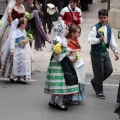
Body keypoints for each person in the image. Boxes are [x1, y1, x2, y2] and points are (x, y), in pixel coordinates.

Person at [44, 20, 79, 111]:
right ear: (62, 30)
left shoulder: (62, 38)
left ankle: (52, 102)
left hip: (62, 61)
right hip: (58, 64)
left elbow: (63, 48)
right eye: (66, 29)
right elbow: (56, 53)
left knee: (58, 83)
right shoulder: (57, 39)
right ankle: (59, 103)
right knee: (61, 83)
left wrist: (70, 50)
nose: (67, 31)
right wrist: (65, 54)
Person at [88, 9, 119, 99]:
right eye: (101, 18)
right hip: (96, 52)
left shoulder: (108, 28)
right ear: (98, 18)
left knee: (109, 70)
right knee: (99, 73)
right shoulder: (95, 27)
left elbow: (112, 40)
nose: (103, 19)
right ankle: (99, 91)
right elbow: (90, 39)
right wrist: (98, 40)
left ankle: (95, 82)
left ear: (107, 17)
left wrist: (115, 52)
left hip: (105, 51)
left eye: (104, 17)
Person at [1, 19, 31, 83]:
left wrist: (26, 41)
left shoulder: (22, 32)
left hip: (22, 50)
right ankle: (12, 76)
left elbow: (24, 39)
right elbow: (12, 41)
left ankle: (20, 78)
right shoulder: (15, 32)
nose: (25, 25)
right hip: (17, 50)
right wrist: (12, 50)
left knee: (22, 63)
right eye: (24, 24)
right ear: (22, 25)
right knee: (14, 63)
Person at [0, 0, 25, 68]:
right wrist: (9, 14)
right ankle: (6, 65)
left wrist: (23, 26)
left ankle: (21, 64)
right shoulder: (11, 7)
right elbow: (10, 21)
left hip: (20, 29)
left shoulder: (23, 7)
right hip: (12, 28)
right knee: (8, 45)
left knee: (22, 46)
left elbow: (24, 19)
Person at [64, 25, 85, 102]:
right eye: (77, 33)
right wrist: (74, 52)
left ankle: (76, 96)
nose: (79, 34)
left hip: (78, 60)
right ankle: (70, 97)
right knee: (73, 78)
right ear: (72, 33)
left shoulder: (76, 40)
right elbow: (67, 52)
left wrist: (77, 51)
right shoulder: (68, 41)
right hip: (72, 61)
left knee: (79, 77)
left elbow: (79, 49)